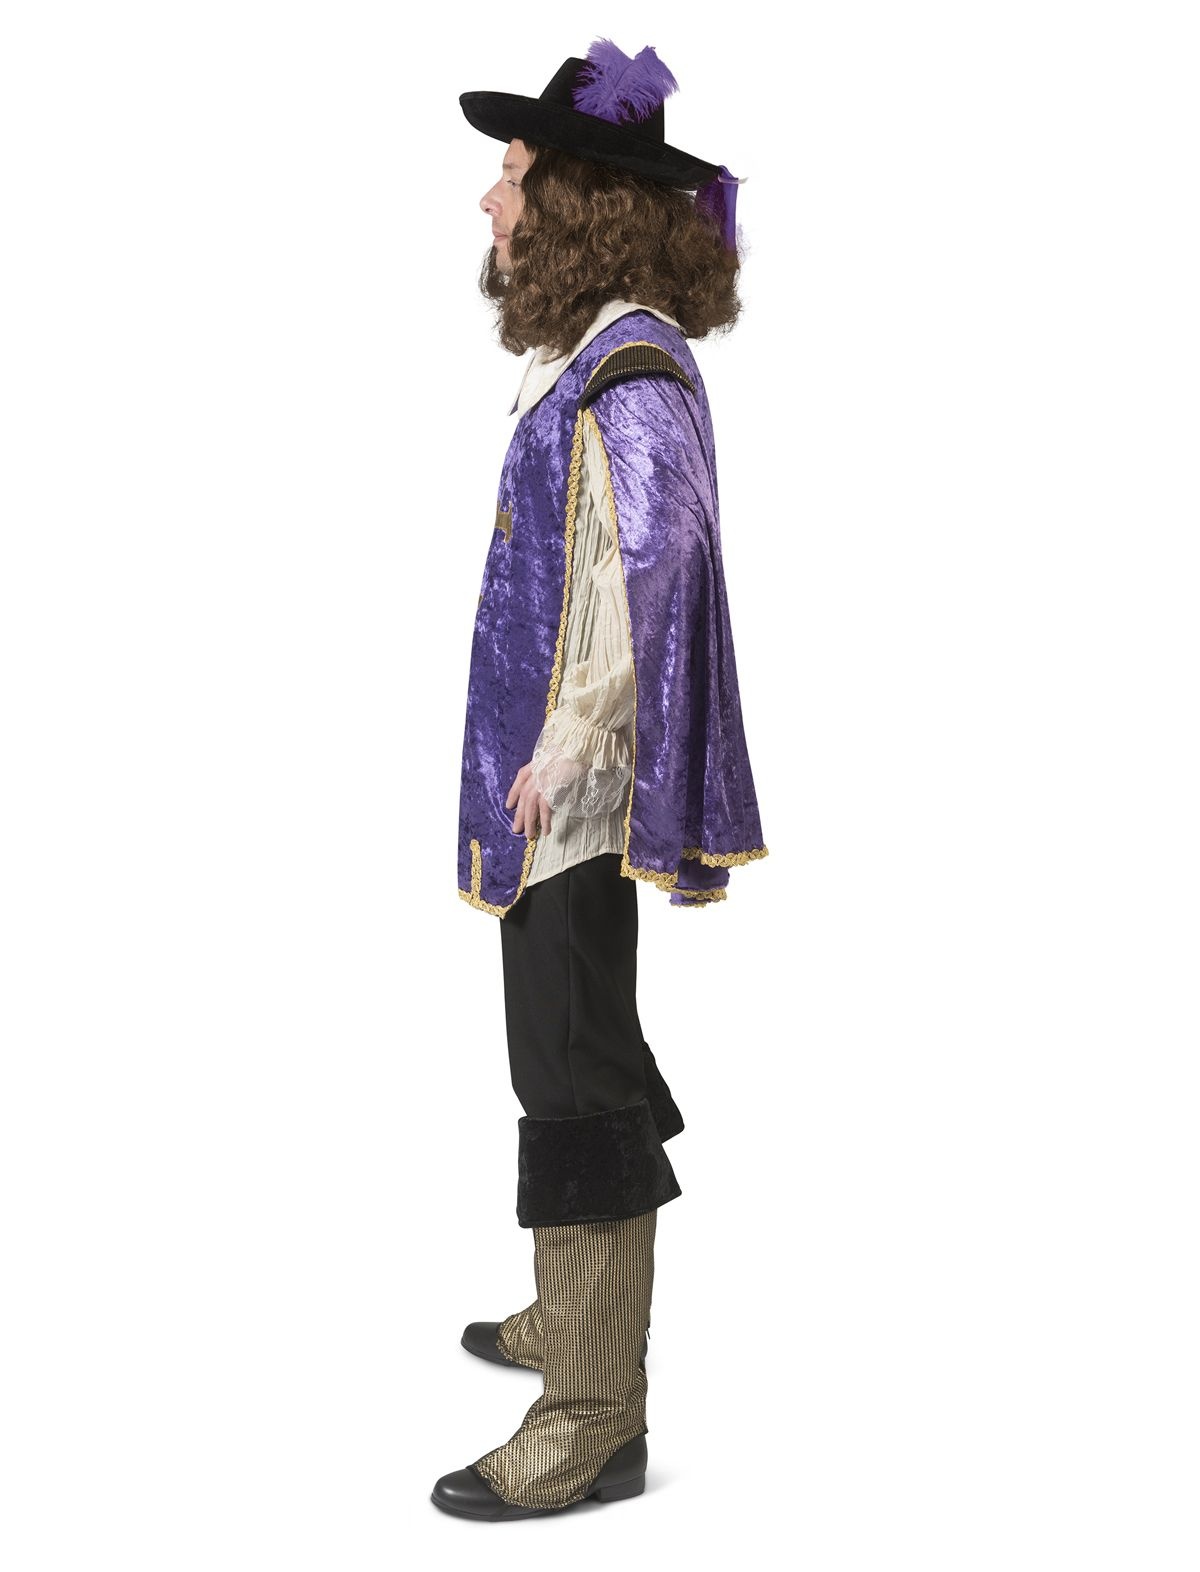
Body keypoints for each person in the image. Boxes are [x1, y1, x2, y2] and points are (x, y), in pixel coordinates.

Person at [432, 39, 768, 1520]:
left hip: (569, 795)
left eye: (511, 174)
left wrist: (567, 742)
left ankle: (591, 1410)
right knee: (571, 1045)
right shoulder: (585, 355)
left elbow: (661, 564)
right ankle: (577, 1310)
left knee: (571, 1069)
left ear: (572, 197)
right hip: (538, 784)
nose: (491, 200)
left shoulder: (630, 369)